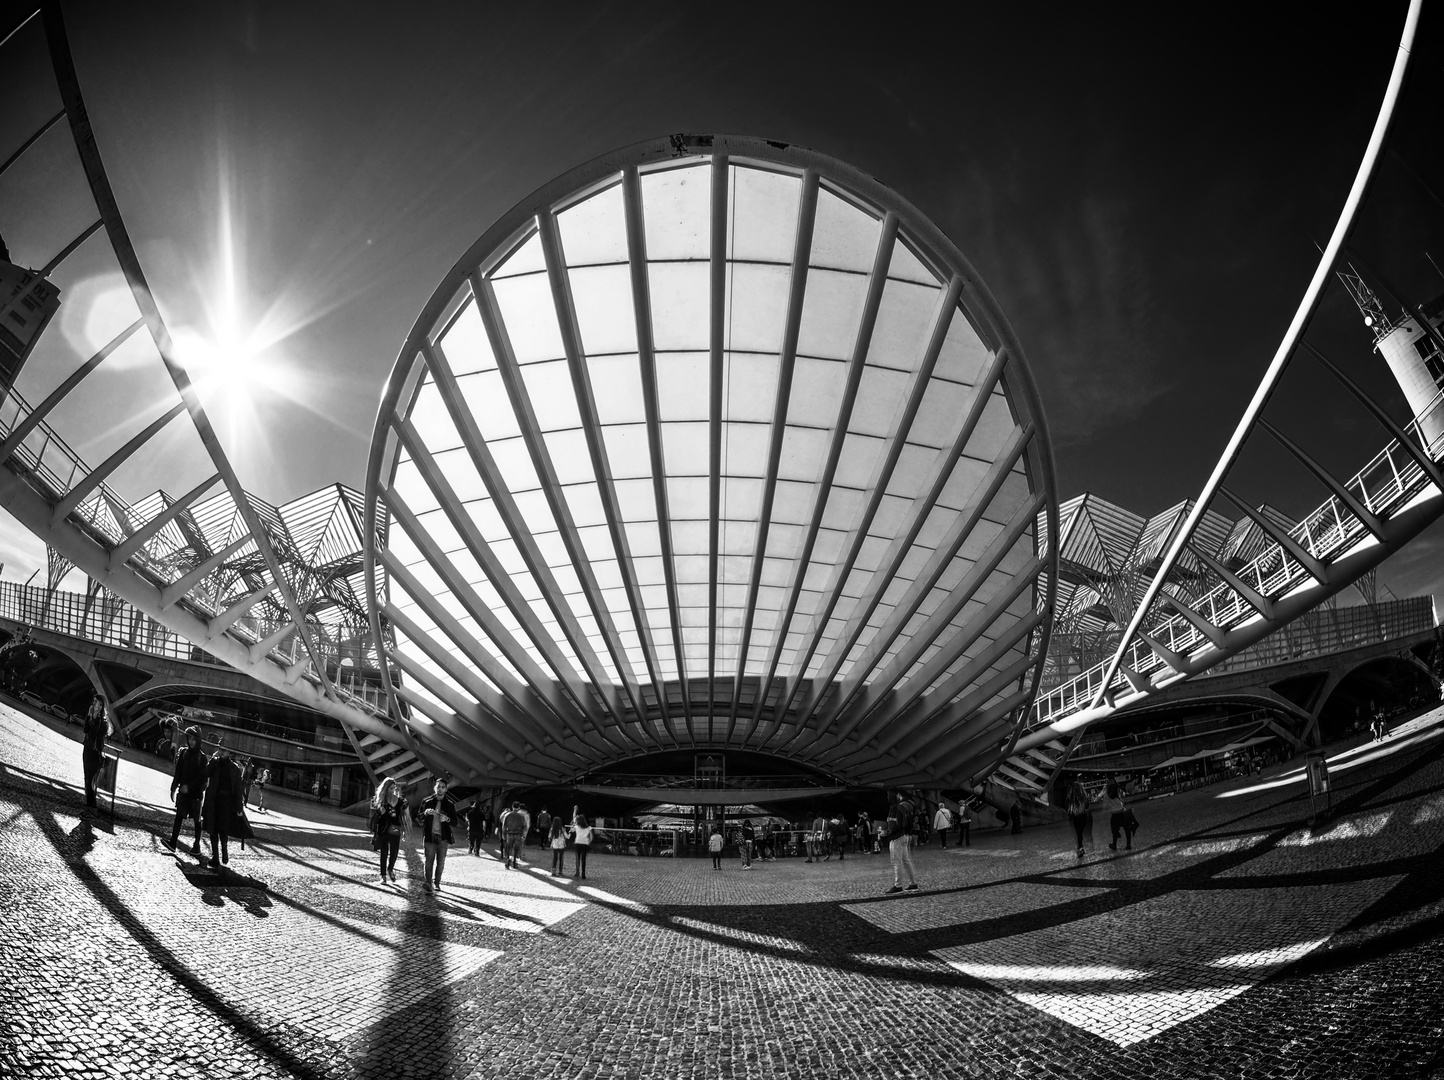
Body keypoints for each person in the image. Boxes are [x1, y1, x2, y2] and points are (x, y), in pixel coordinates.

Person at [201, 742, 248, 869]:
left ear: (229, 753)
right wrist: (211, 760)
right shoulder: (215, 763)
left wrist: (239, 808)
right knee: (213, 829)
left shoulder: (235, 769)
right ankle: (215, 857)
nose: (221, 752)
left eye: (225, 750)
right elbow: (205, 773)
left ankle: (224, 850)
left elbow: (237, 790)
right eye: (220, 749)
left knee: (223, 829)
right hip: (214, 801)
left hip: (226, 803)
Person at [168, 726, 207, 854]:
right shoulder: (184, 753)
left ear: (198, 740)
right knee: (179, 816)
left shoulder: (202, 758)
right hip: (183, 793)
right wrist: (174, 787)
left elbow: (202, 779)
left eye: (194, 739)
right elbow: (178, 772)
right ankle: (173, 842)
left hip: (195, 794)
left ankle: (197, 845)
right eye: (189, 738)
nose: (191, 741)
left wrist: (189, 787)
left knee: (197, 820)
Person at [419, 777, 457, 890]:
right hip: (430, 836)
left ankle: (437, 883)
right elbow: (418, 817)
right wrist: (425, 813)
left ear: (445, 790)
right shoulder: (427, 801)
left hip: (443, 838)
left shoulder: (449, 805)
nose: (440, 789)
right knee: (429, 861)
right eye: (438, 786)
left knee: (440, 862)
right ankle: (428, 883)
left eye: (442, 787)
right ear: (435, 788)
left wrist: (447, 819)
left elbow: (455, 822)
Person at [372, 777, 409, 883]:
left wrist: (405, 829)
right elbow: (375, 817)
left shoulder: (400, 801)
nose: (392, 790)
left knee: (394, 852)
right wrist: (380, 812)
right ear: (385, 788)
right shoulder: (381, 800)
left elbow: (404, 816)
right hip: (384, 829)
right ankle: (383, 875)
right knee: (384, 852)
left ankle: (390, 869)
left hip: (396, 828)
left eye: (393, 788)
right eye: (390, 788)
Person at [882, 790, 919, 894]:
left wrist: (886, 832)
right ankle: (913, 883)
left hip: (896, 837)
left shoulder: (894, 808)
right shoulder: (906, 806)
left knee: (896, 862)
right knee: (907, 860)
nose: (887, 797)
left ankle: (898, 886)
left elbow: (895, 824)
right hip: (905, 836)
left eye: (888, 795)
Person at [81, 694, 109, 809]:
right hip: (87, 749)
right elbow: (86, 730)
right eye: (93, 701)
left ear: (101, 705)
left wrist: (94, 717)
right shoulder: (92, 715)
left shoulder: (103, 721)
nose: (93, 704)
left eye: (96, 702)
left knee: (90, 781)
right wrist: (89, 716)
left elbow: (97, 732)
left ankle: (91, 807)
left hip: (95, 752)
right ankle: (90, 805)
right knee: (86, 779)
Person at [1096, 779, 1132, 851]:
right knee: (1127, 828)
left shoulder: (1107, 792)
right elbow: (1123, 795)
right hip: (1122, 812)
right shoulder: (1118, 790)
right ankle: (1128, 844)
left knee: (1114, 829)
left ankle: (1114, 844)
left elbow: (1101, 801)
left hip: (1114, 814)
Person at [1065, 780, 1092, 861]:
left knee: (1078, 833)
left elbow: (1067, 808)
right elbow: (1087, 806)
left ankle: (1080, 848)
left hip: (1075, 817)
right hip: (1083, 816)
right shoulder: (1083, 796)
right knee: (1080, 833)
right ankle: (1080, 847)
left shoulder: (1070, 798)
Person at [500, 800, 530, 869]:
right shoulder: (521, 816)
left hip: (509, 833)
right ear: (519, 807)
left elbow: (504, 825)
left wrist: (503, 834)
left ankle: (508, 861)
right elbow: (525, 826)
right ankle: (514, 863)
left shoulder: (507, 815)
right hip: (518, 834)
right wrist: (524, 835)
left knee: (509, 848)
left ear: (512, 806)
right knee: (516, 849)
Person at [571, 813, 594, 879]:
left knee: (577, 858)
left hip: (577, 842)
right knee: (583, 859)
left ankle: (577, 872)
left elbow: (571, 829)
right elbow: (591, 837)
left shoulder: (577, 827)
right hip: (585, 843)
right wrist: (588, 842)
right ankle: (583, 873)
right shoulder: (589, 828)